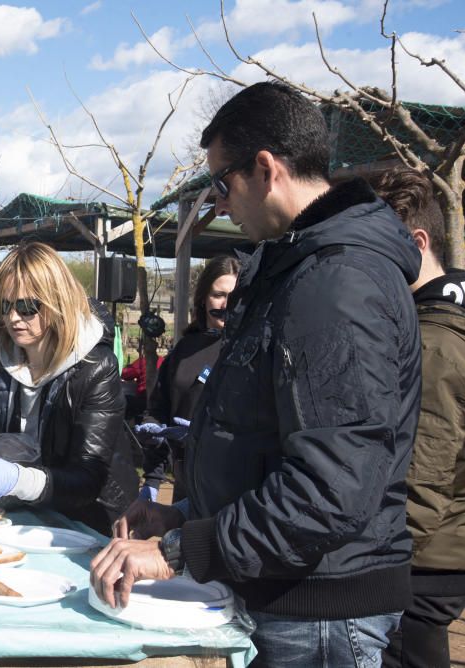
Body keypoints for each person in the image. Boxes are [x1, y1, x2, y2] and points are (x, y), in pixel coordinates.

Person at [91, 81, 422, 664]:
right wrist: (186, 514)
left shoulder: (337, 284)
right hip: (285, 591)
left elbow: (331, 489)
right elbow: (266, 445)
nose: (218, 203)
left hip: (321, 611)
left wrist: (181, 548)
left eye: (221, 182)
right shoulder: (295, 270)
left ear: (266, 169)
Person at [0, 241, 138, 535]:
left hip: (88, 519)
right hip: (15, 515)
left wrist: (16, 480)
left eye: (27, 307)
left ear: (57, 302)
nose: (13, 318)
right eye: (5, 306)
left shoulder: (96, 368)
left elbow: (87, 479)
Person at [373, 169, 465, 668]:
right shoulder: (450, 315)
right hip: (442, 540)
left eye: (375, 255)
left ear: (417, 243)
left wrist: (371, 565)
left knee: (406, 649)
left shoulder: (437, 342)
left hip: (432, 553)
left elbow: (422, 479)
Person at [137, 254, 240, 504]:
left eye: (234, 297)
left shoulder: (246, 348)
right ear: (203, 298)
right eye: (218, 295)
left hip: (230, 488)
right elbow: (159, 408)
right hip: (184, 482)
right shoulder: (184, 349)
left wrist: (203, 435)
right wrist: (152, 479)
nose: (225, 304)